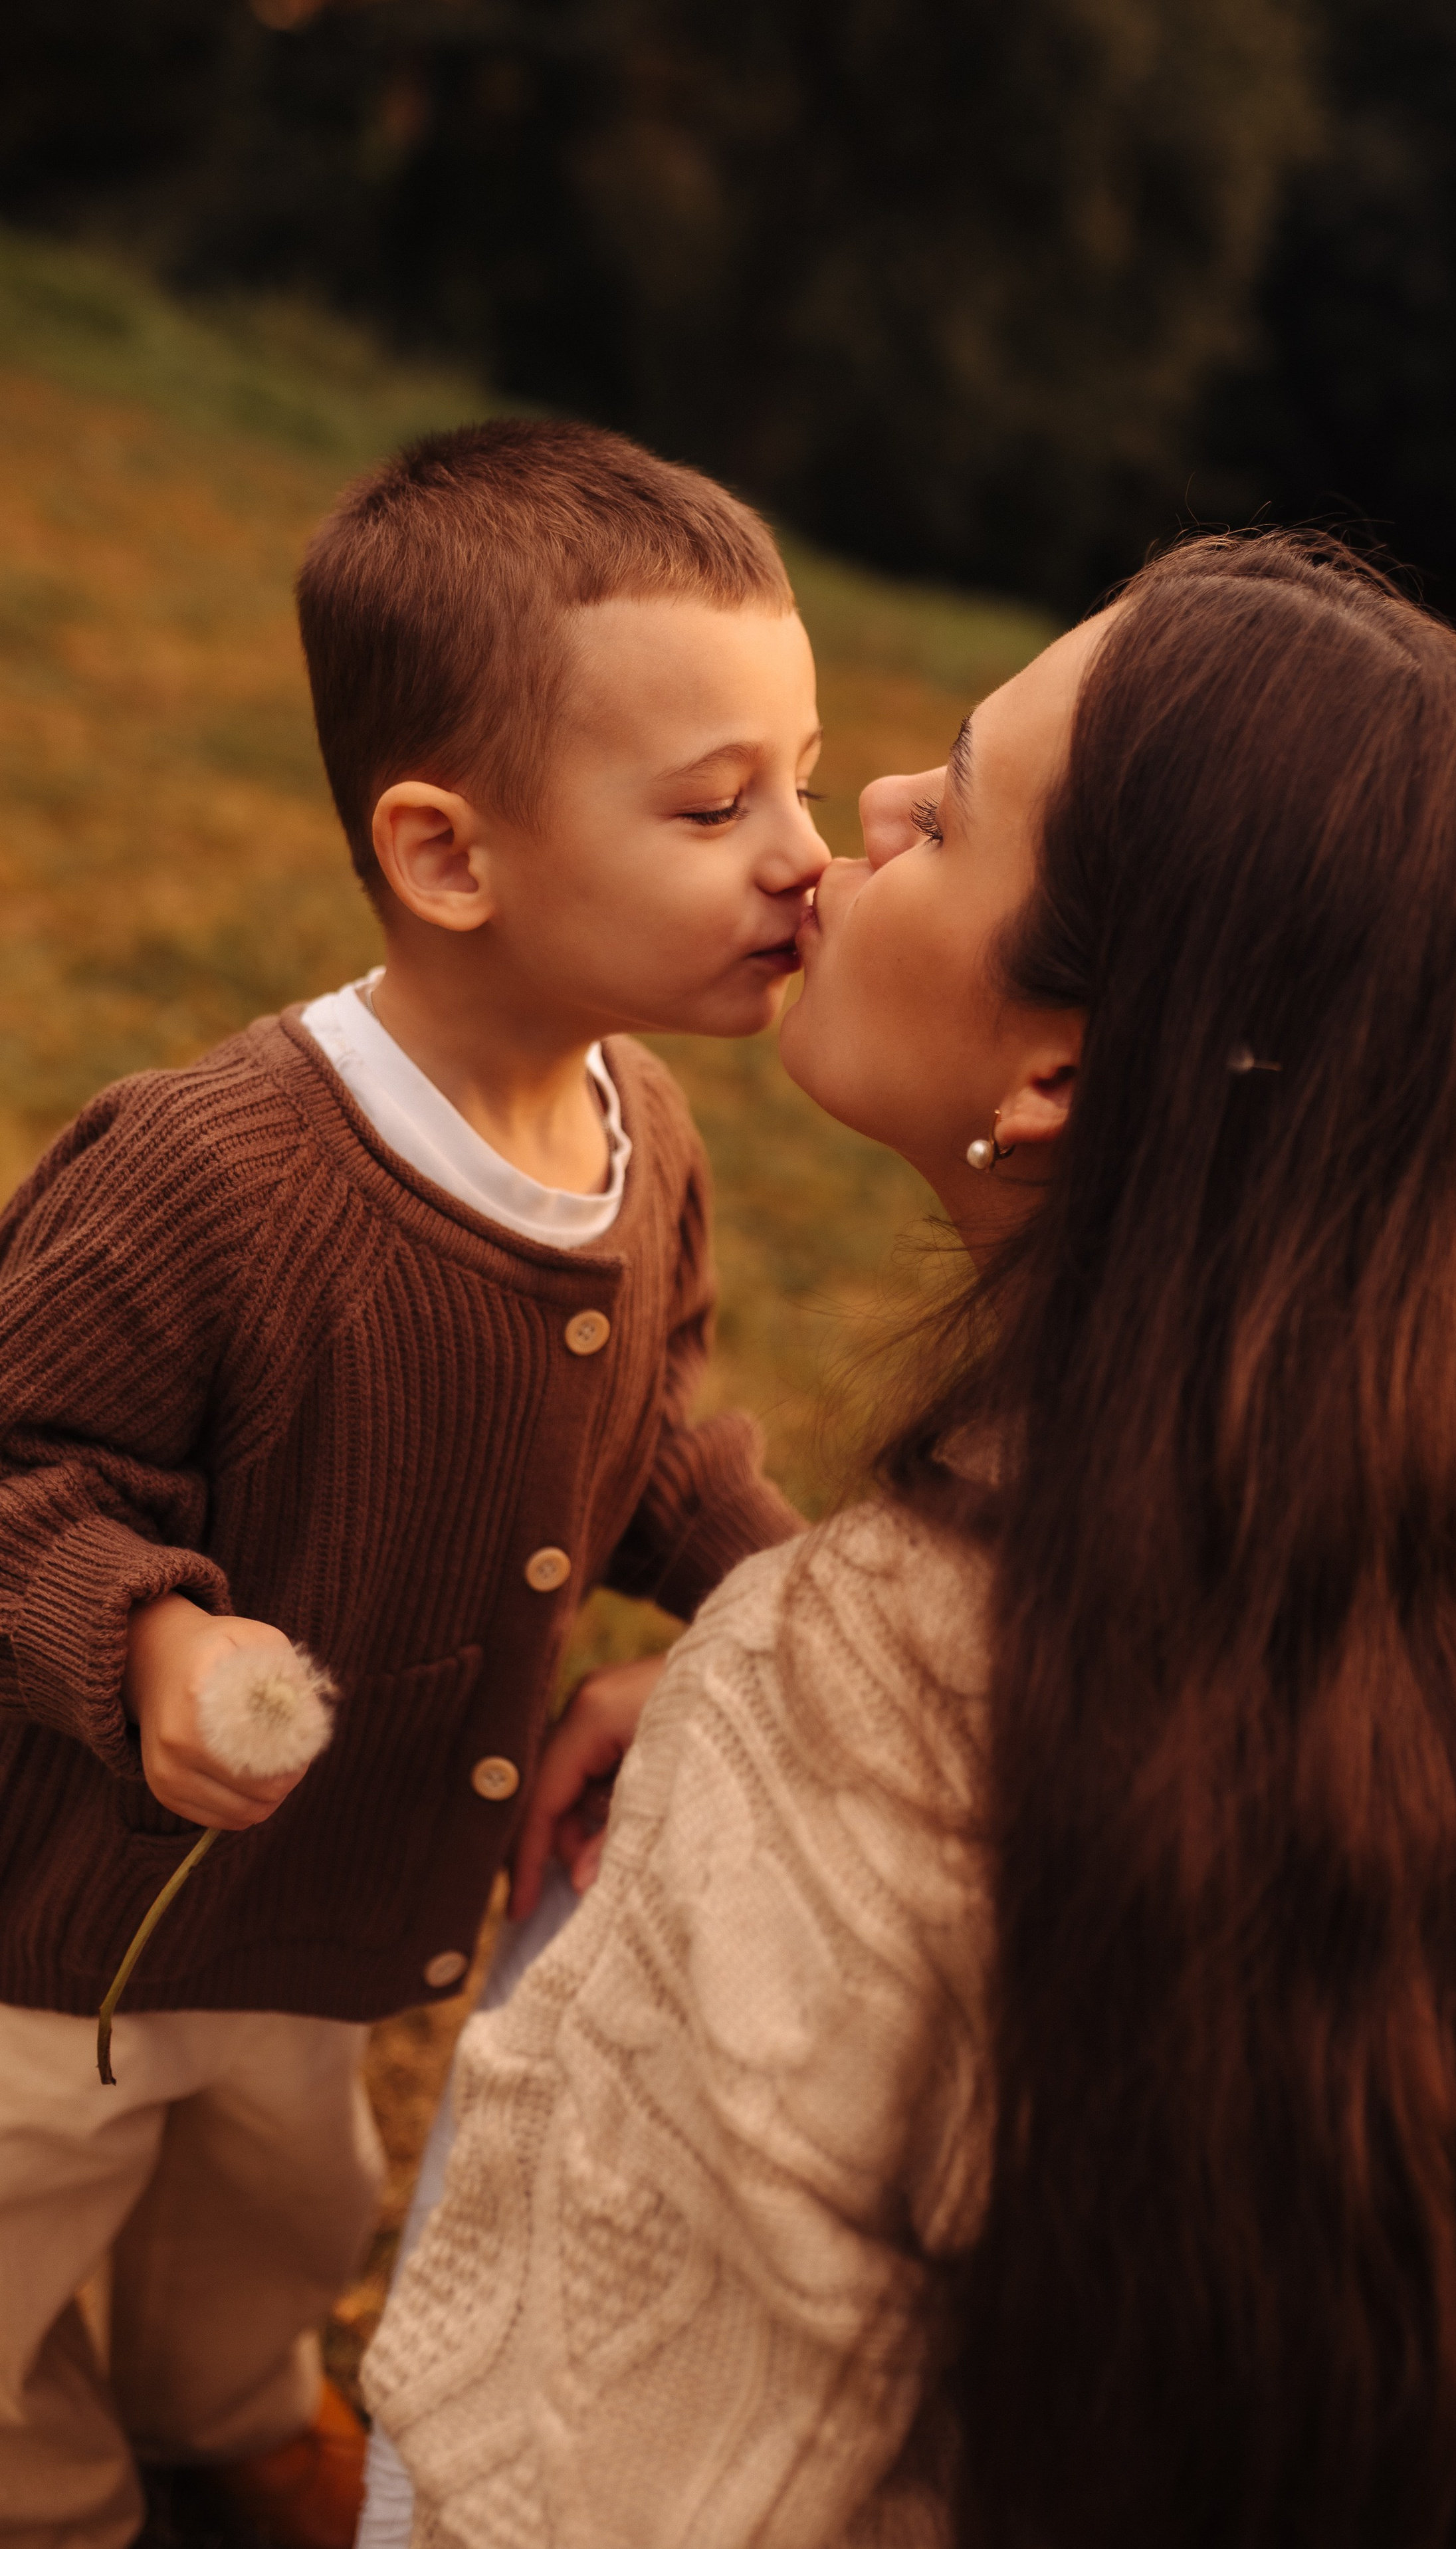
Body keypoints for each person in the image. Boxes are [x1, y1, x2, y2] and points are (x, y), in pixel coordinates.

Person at [364, 530, 1456, 2549]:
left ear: (1064, 1067)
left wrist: (769, 1755)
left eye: (953, 809)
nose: (871, 810)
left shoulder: (853, 1709)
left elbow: (571, 2494)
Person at [0, 417, 825, 2549]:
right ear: (452, 855)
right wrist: (147, 1638)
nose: (804, 855)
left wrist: (797, 1589)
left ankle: (220, 2409)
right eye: (719, 804)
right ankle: (59, 2490)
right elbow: (18, 1475)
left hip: (348, 1909)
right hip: (64, 1921)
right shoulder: (208, 1167)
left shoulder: (645, 1142)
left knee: (279, 2202)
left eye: (808, 782)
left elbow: (641, 1445)